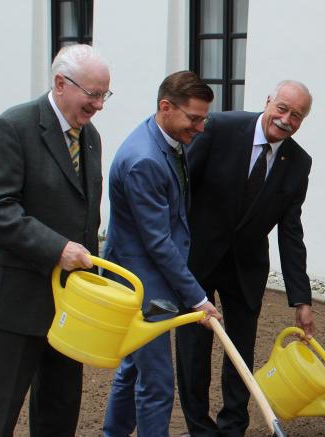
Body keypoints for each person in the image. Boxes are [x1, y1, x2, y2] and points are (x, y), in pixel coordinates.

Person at [0, 44, 110, 436]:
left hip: (67, 307)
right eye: (92, 94)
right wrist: (57, 249)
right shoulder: (14, 127)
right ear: (61, 83)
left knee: (59, 414)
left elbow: (85, 217)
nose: (98, 104)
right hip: (12, 303)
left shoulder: (91, 137)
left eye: (104, 95)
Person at [176, 80, 315, 436]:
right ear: (268, 101)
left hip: (246, 268)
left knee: (240, 351)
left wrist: (301, 298)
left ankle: (232, 426)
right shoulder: (220, 128)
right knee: (194, 352)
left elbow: (290, 230)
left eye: (296, 116)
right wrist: (171, 252)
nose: (285, 119)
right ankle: (199, 428)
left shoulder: (298, 162)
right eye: (282, 108)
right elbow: (182, 187)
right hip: (199, 261)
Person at [100, 71, 223, 436]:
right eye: (194, 118)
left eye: (205, 118)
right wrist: (198, 298)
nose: (200, 128)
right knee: (157, 382)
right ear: (165, 107)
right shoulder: (145, 160)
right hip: (142, 286)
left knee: (134, 367)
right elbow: (157, 243)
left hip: (154, 280)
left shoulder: (165, 139)